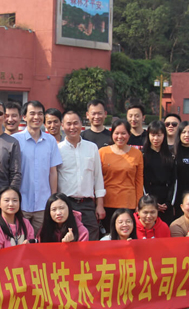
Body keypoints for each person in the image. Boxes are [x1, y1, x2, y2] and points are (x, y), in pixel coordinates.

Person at [13, 100, 62, 234]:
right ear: (24, 117)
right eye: (32, 113)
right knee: (21, 243)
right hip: (20, 204)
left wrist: (53, 198)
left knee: (42, 243)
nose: (36, 117)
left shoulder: (50, 141)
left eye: (40, 114)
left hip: (43, 204)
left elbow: (53, 172)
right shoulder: (15, 140)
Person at [57, 110, 106, 240]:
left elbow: (98, 178)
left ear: (82, 124)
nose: (72, 127)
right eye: (68, 124)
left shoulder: (92, 148)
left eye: (75, 123)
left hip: (87, 204)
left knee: (91, 239)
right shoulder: (57, 149)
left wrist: (100, 205)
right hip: (66, 203)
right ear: (62, 126)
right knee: (68, 240)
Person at [99, 118, 143, 232]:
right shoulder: (102, 152)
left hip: (128, 203)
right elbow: (97, 179)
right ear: (111, 134)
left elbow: (139, 181)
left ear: (129, 134)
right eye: (116, 133)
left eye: (123, 133)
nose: (120, 136)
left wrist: (139, 203)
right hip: (107, 202)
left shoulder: (137, 154)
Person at [143, 121, 176, 225]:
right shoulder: (143, 156)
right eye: (153, 135)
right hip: (149, 199)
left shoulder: (171, 156)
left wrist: (168, 203)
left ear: (164, 136)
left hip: (166, 200)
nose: (156, 139)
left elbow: (174, 181)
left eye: (159, 135)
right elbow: (142, 181)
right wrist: (151, 202)